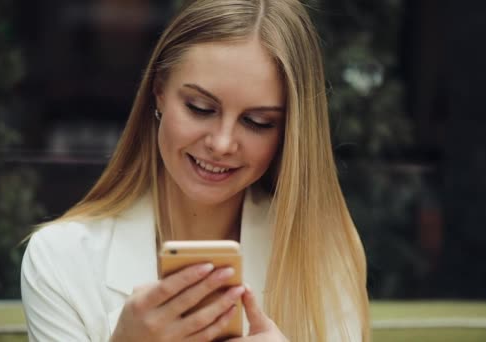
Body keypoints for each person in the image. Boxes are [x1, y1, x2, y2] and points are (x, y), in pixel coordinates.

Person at [21, 0, 370, 341]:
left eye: (257, 122)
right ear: (159, 91)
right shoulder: (60, 260)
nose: (221, 143)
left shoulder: (323, 252)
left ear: (289, 132)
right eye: (200, 108)